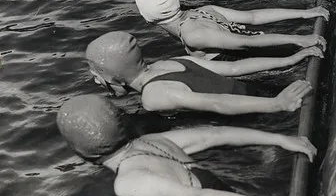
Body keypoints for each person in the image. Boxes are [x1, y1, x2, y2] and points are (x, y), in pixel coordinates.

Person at [57, 95, 313, 196]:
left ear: (81, 153)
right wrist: (280, 139)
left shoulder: (127, 182)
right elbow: (216, 134)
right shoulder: (155, 140)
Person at [86, 30, 324, 115]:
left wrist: (277, 104)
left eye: (98, 74)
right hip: (258, 93)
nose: (95, 80)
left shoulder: (152, 96)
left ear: (115, 76)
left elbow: (216, 103)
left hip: (257, 113)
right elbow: (234, 68)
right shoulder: (171, 62)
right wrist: (288, 59)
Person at [135, 0, 326, 59]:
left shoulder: (191, 34)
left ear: (147, 18)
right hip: (272, 51)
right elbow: (253, 17)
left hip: (270, 66)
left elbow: (245, 42)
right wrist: (304, 13)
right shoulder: (205, 9)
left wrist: (299, 40)